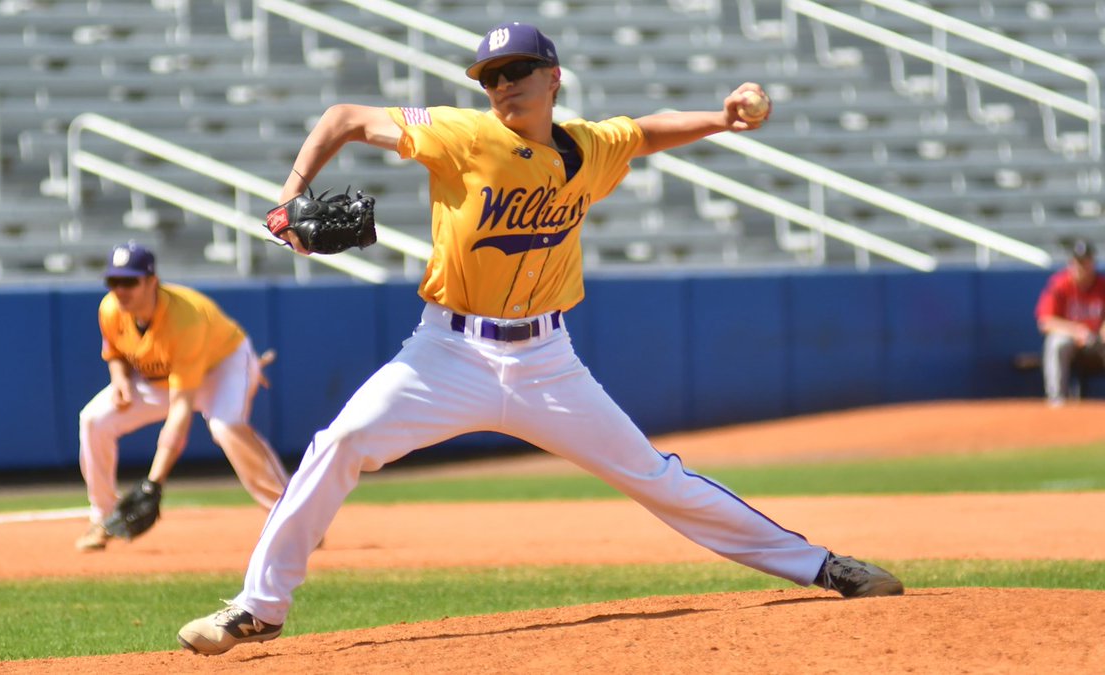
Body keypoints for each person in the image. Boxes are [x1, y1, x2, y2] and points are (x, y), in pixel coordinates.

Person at [177, 22, 904, 655]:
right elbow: (342, 115)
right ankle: (259, 607)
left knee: (654, 476)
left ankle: (818, 565)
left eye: (515, 72)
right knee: (339, 443)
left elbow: (646, 132)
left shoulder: (589, 148)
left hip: (548, 362)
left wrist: (720, 116)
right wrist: (288, 195)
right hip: (446, 353)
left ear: (553, 78)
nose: (501, 86)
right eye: (490, 76)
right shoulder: (462, 134)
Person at [76, 241, 289, 550]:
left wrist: (153, 483)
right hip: (164, 377)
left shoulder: (184, 319)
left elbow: (181, 410)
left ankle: (291, 515)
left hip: (222, 367)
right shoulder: (110, 308)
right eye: (113, 281)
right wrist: (119, 376)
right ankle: (104, 516)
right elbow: (115, 351)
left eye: (129, 281)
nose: (120, 290)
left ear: (152, 282)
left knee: (225, 425)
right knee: (94, 419)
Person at [1034, 238, 1105, 407]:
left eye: (1085, 262)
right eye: (1078, 263)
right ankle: (1057, 400)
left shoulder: (1102, 285)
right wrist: (1075, 331)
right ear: (1071, 263)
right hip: (1072, 340)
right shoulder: (1060, 284)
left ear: (1092, 262)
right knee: (1057, 343)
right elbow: (1044, 321)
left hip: (1098, 341)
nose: (1081, 267)